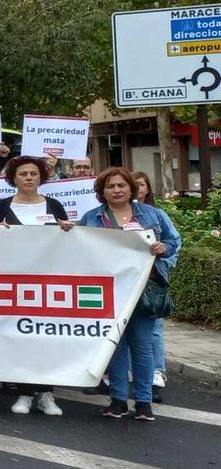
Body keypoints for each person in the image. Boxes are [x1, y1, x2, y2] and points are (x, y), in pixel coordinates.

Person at [80, 168, 180, 420]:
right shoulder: (92, 218)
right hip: (109, 291)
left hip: (144, 290)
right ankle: (118, 400)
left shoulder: (153, 214)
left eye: (121, 185)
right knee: (116, 347)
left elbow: (174, 241)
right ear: (102, 192)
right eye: (110, 186)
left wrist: (164, 248)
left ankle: (144, 403)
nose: (116, 190)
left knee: (142, 346)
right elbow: (79, 248)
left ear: (131, 189)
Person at [0, 155, 74, 415]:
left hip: (47, 283)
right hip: (14, 283)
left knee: (45, 337)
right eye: (23, 174)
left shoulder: (54, 206)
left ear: (41, 177)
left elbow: (67, 243)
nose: (28, 178)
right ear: (13, 178)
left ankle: (46, 394)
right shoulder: (1, 207)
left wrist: (67, 229)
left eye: (33, 173)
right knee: (20, 336)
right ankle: (24, 393)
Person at [131, 170, 168, 396]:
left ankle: (155, 372)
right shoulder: (103, 215)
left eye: (142, 184)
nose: (138, 188)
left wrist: (162, 265)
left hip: (150, 281)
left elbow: (172, 242)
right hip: (124, 281)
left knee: (152, 331)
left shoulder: (156, 214)